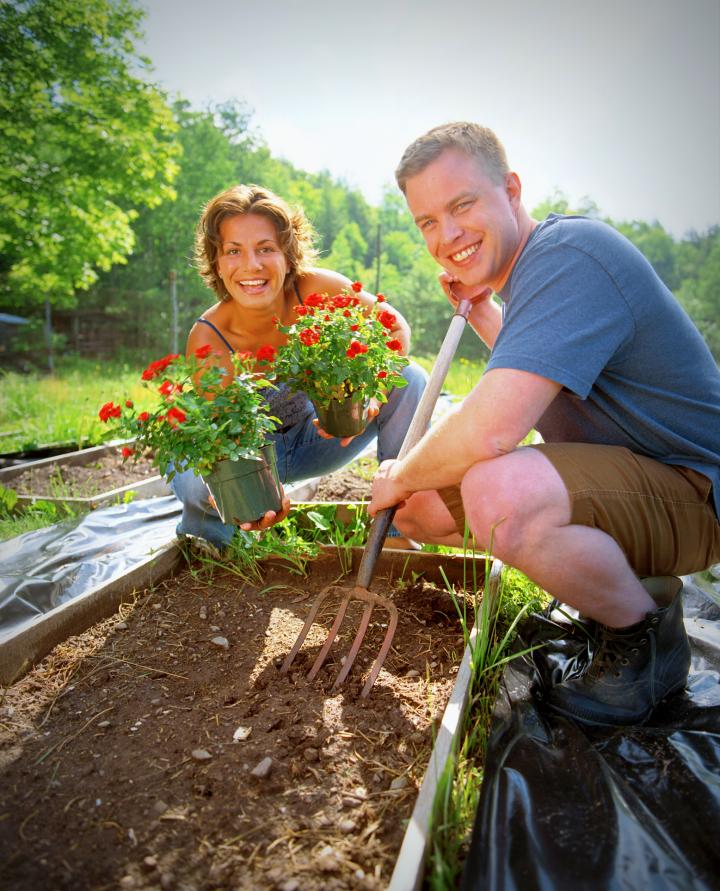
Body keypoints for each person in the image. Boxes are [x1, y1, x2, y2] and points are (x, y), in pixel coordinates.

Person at [369, 121, 720, 726]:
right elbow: (548, 368)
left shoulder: (569, 256)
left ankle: (644, 641)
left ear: (510, 189)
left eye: (462, 205)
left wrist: (399, 471)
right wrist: (483, 313)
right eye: (427, 221)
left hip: (696, 490)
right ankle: (614, 590)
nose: (447, 234)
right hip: (641, 477)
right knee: (419, 505)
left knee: (498, 493)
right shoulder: (537, 273)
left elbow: (491, 430)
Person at [170, 183, 427, 551]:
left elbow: (394, 325)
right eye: (233, 251)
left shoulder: (316, 289)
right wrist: (254, 493)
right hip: (254, 455)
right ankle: (212, 544)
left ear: (288, 255)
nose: (251, 265)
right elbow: (225, 444)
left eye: (265, 249)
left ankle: (397, 532)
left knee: (409, 378)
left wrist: (369, 391)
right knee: (195, 475)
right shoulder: (210, 337)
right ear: (217, 262)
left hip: (322, 438)